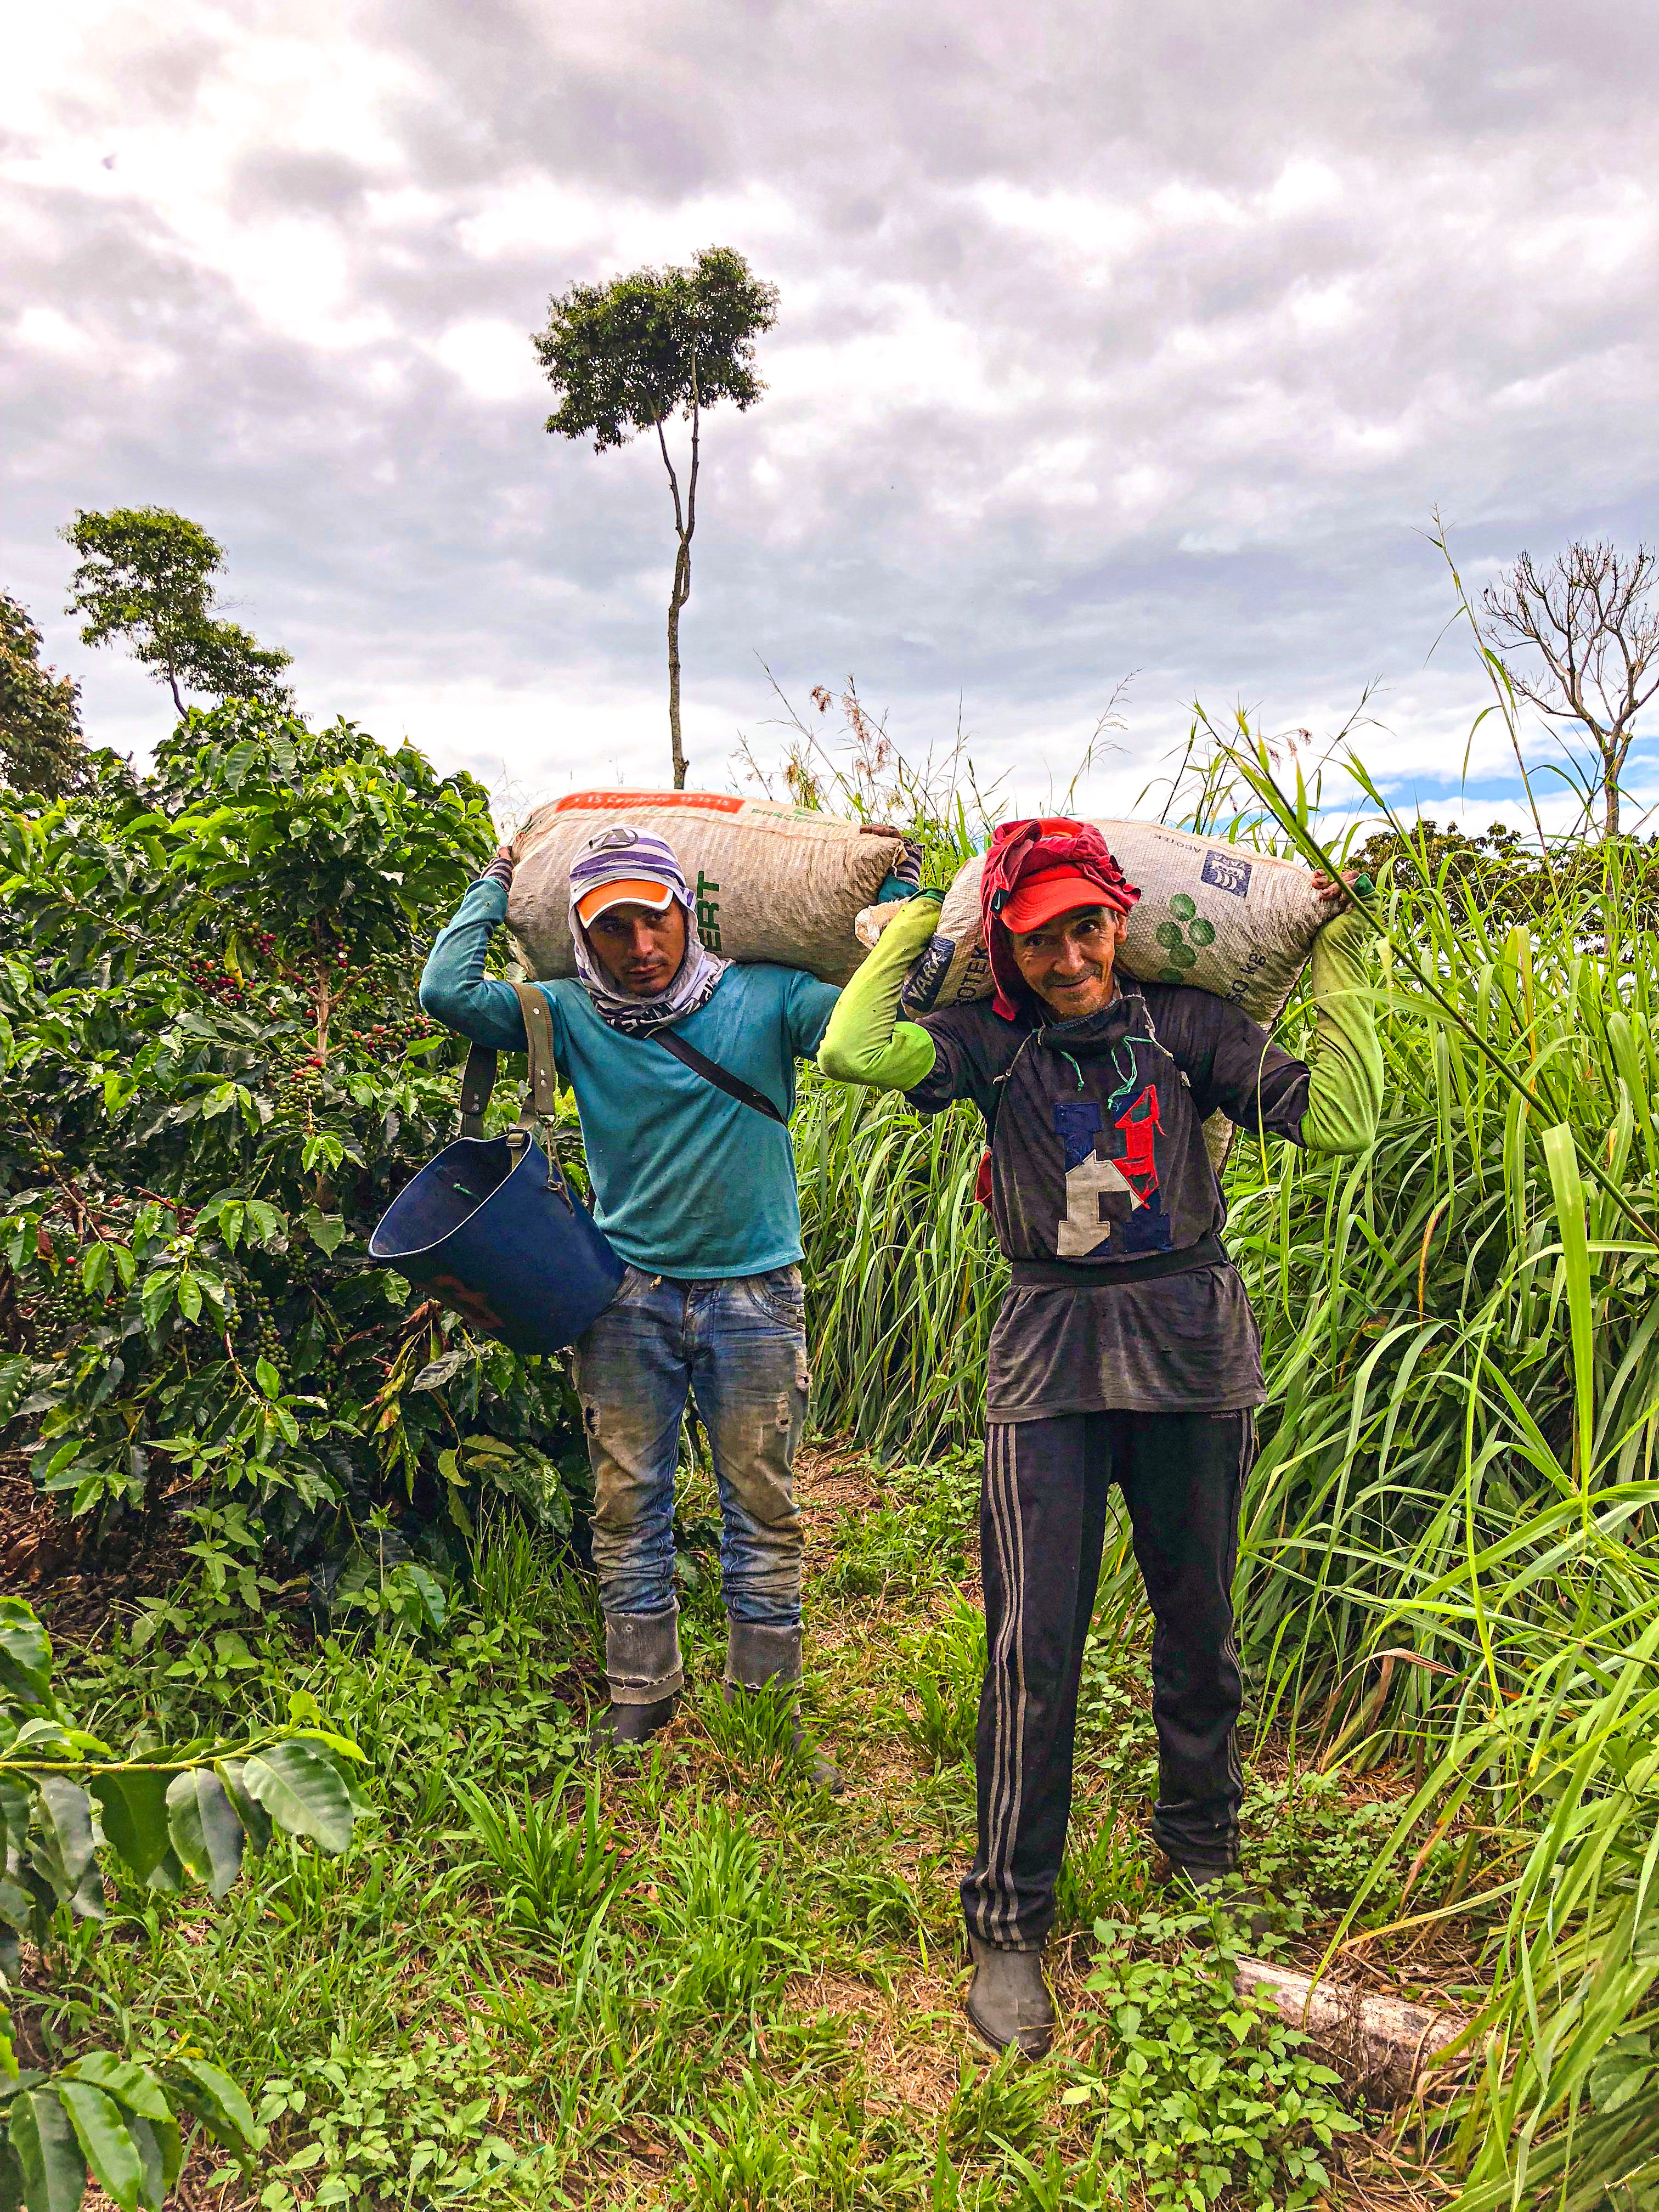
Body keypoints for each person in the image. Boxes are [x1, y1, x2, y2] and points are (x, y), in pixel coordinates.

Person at [817, 816, 1382, 2056]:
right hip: (1050, 1363)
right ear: (1006, 947)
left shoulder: (1185, 1030)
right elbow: (854, 1048)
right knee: (1034, 1650)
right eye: (1038, 937)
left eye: (1087, 926)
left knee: (1200, 1627)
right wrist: (929, 917)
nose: (1070, 957)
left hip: (1190, 1351)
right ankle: (1009, 1923)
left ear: (1120, 919)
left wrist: (1334, 951)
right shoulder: (987, 1043)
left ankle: (1201, 1864)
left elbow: (1337, 1124)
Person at [421, 823, 913, 1781]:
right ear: (581, 936)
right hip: (625, 1295)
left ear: (690, 913)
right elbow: (447, 992)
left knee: (762, 1505)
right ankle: (640, 1693)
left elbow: (871, 1030)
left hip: (757, 1295)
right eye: (613, 931)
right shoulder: (562, 1013)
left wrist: (897, 898)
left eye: (656, 922)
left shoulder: (768, 999)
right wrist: (492, 880)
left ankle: (768, 1710)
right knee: (626, 1502)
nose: (640, 950)